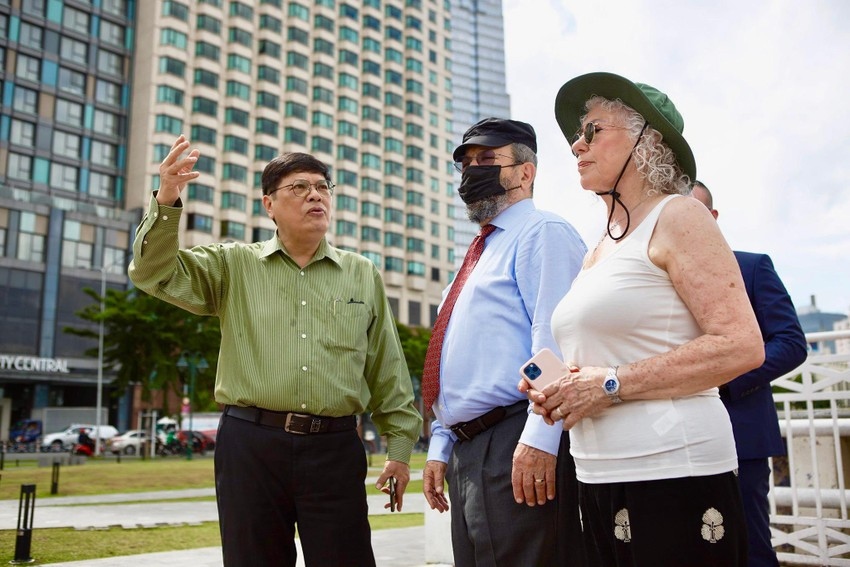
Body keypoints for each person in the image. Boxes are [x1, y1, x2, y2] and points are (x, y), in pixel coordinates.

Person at [128, 135, 422, 567]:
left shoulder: (362, 273)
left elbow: (387, 368)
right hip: (251, 446)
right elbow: (152, 273)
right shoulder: (232, 265)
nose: (315, 195)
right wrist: (168, 196)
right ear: (269, 205)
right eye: (299, 187)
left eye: (322, 186)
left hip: (335, 447)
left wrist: (399, 453)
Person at [523, 72, 766, 566]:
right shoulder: (600, 247)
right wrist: (560, 388)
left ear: (645, 138)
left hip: (673, 472)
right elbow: (603, 360)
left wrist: (609, 384)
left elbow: (742, 344)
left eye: (592, 130)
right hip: (597, 475)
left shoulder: (679, 216)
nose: (575, 145)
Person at [421, 117, 589, 567]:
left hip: (515, 436)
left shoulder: (542, 233)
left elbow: (552, 344)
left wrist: (540, 436)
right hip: (469, 449)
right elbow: (455, 363)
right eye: (467, 164)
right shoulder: (477, 255)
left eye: (488, 160)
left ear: (525, 172)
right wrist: (441, 445)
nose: (472, 171)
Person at [692, 180, 808, 567]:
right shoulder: (657, 279)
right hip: (675, 438)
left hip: (741, 433)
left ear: (713, 217)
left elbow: (791, 342)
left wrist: (725, 377)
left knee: (750, 549)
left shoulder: (752, 266)